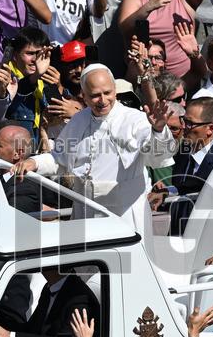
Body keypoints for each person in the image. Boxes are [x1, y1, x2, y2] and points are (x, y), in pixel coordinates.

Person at [11, 65, 175, 233]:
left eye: (107, 93)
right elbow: (59, 159)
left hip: (125, 214)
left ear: (115, 91)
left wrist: (158, 131)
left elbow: (157, 159)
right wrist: (33, 162)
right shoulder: (78, 120)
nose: (103, 100)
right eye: (95, 95)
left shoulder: (135, 119)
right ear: (84, 96)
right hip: (85, 210)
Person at [166, 97, 213, 236]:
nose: (183, 127)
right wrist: (168, 191)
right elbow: (185, 187)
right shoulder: (183, 150)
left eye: (190, 123)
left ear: (210, 129)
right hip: (176, 235)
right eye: (184, 120)